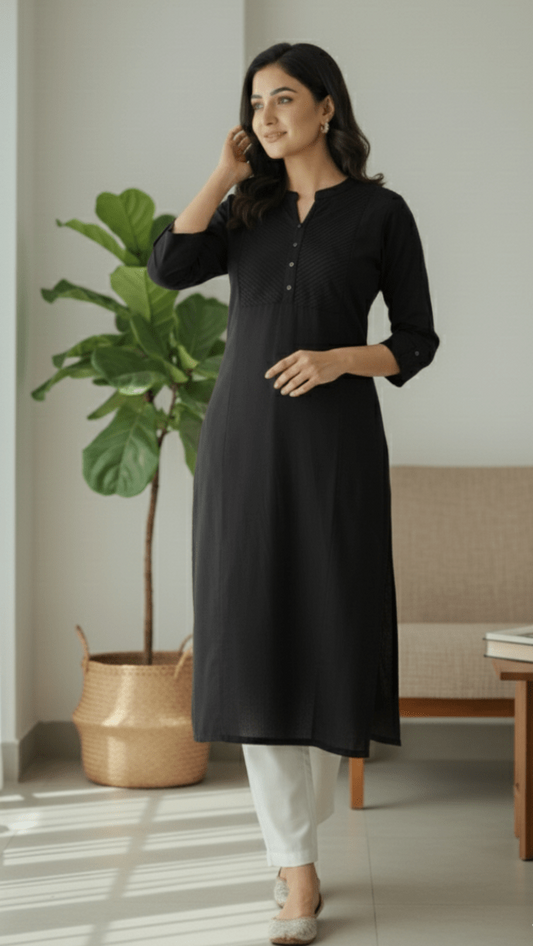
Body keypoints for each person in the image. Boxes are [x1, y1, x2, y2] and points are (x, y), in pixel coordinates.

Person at [148, 41, 439, 946]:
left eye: (282, 100)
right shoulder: (247, 208)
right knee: (255, 637)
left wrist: (338, 358)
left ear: (325, 109)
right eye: (255, 103)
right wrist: (221, 170)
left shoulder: (381, 213)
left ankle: (296, 840)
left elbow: (418, 340)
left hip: (336, 447)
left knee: (325, 632)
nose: (267, 116)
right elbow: (168, 265)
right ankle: (296, 871)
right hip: (241, 444)